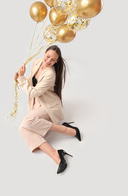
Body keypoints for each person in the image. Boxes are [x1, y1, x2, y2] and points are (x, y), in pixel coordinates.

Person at [14, 45, 81, 174]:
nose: (48, 60)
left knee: (26, 122)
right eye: (48, 56)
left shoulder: (50, 74)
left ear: (56, 62)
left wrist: (22, 79)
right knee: (23, 128)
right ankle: (57, 156)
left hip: (48, 107)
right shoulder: (37, 62)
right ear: (44, 53)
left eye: (53, 60)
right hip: (36, 105)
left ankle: (66, 129)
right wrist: (19, 79)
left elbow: (33, 92)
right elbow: (31, 82)